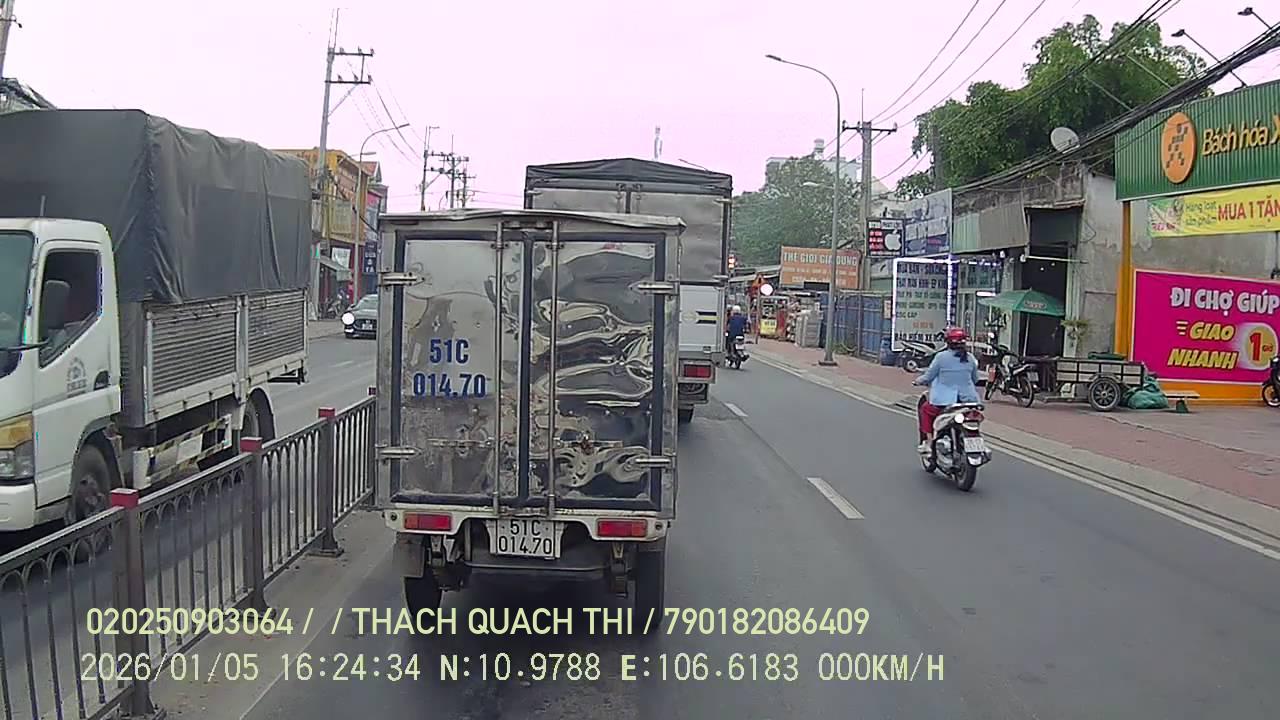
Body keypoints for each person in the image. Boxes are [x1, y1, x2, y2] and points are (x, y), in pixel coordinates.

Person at [914, 327, 981, 455]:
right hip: (969, 401)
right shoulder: (970, 358)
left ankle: (929, 442)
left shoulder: (941, 357)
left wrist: (918, 381)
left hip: (945, 402)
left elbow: (929, 376)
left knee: (925, 409)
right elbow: (975, 379)